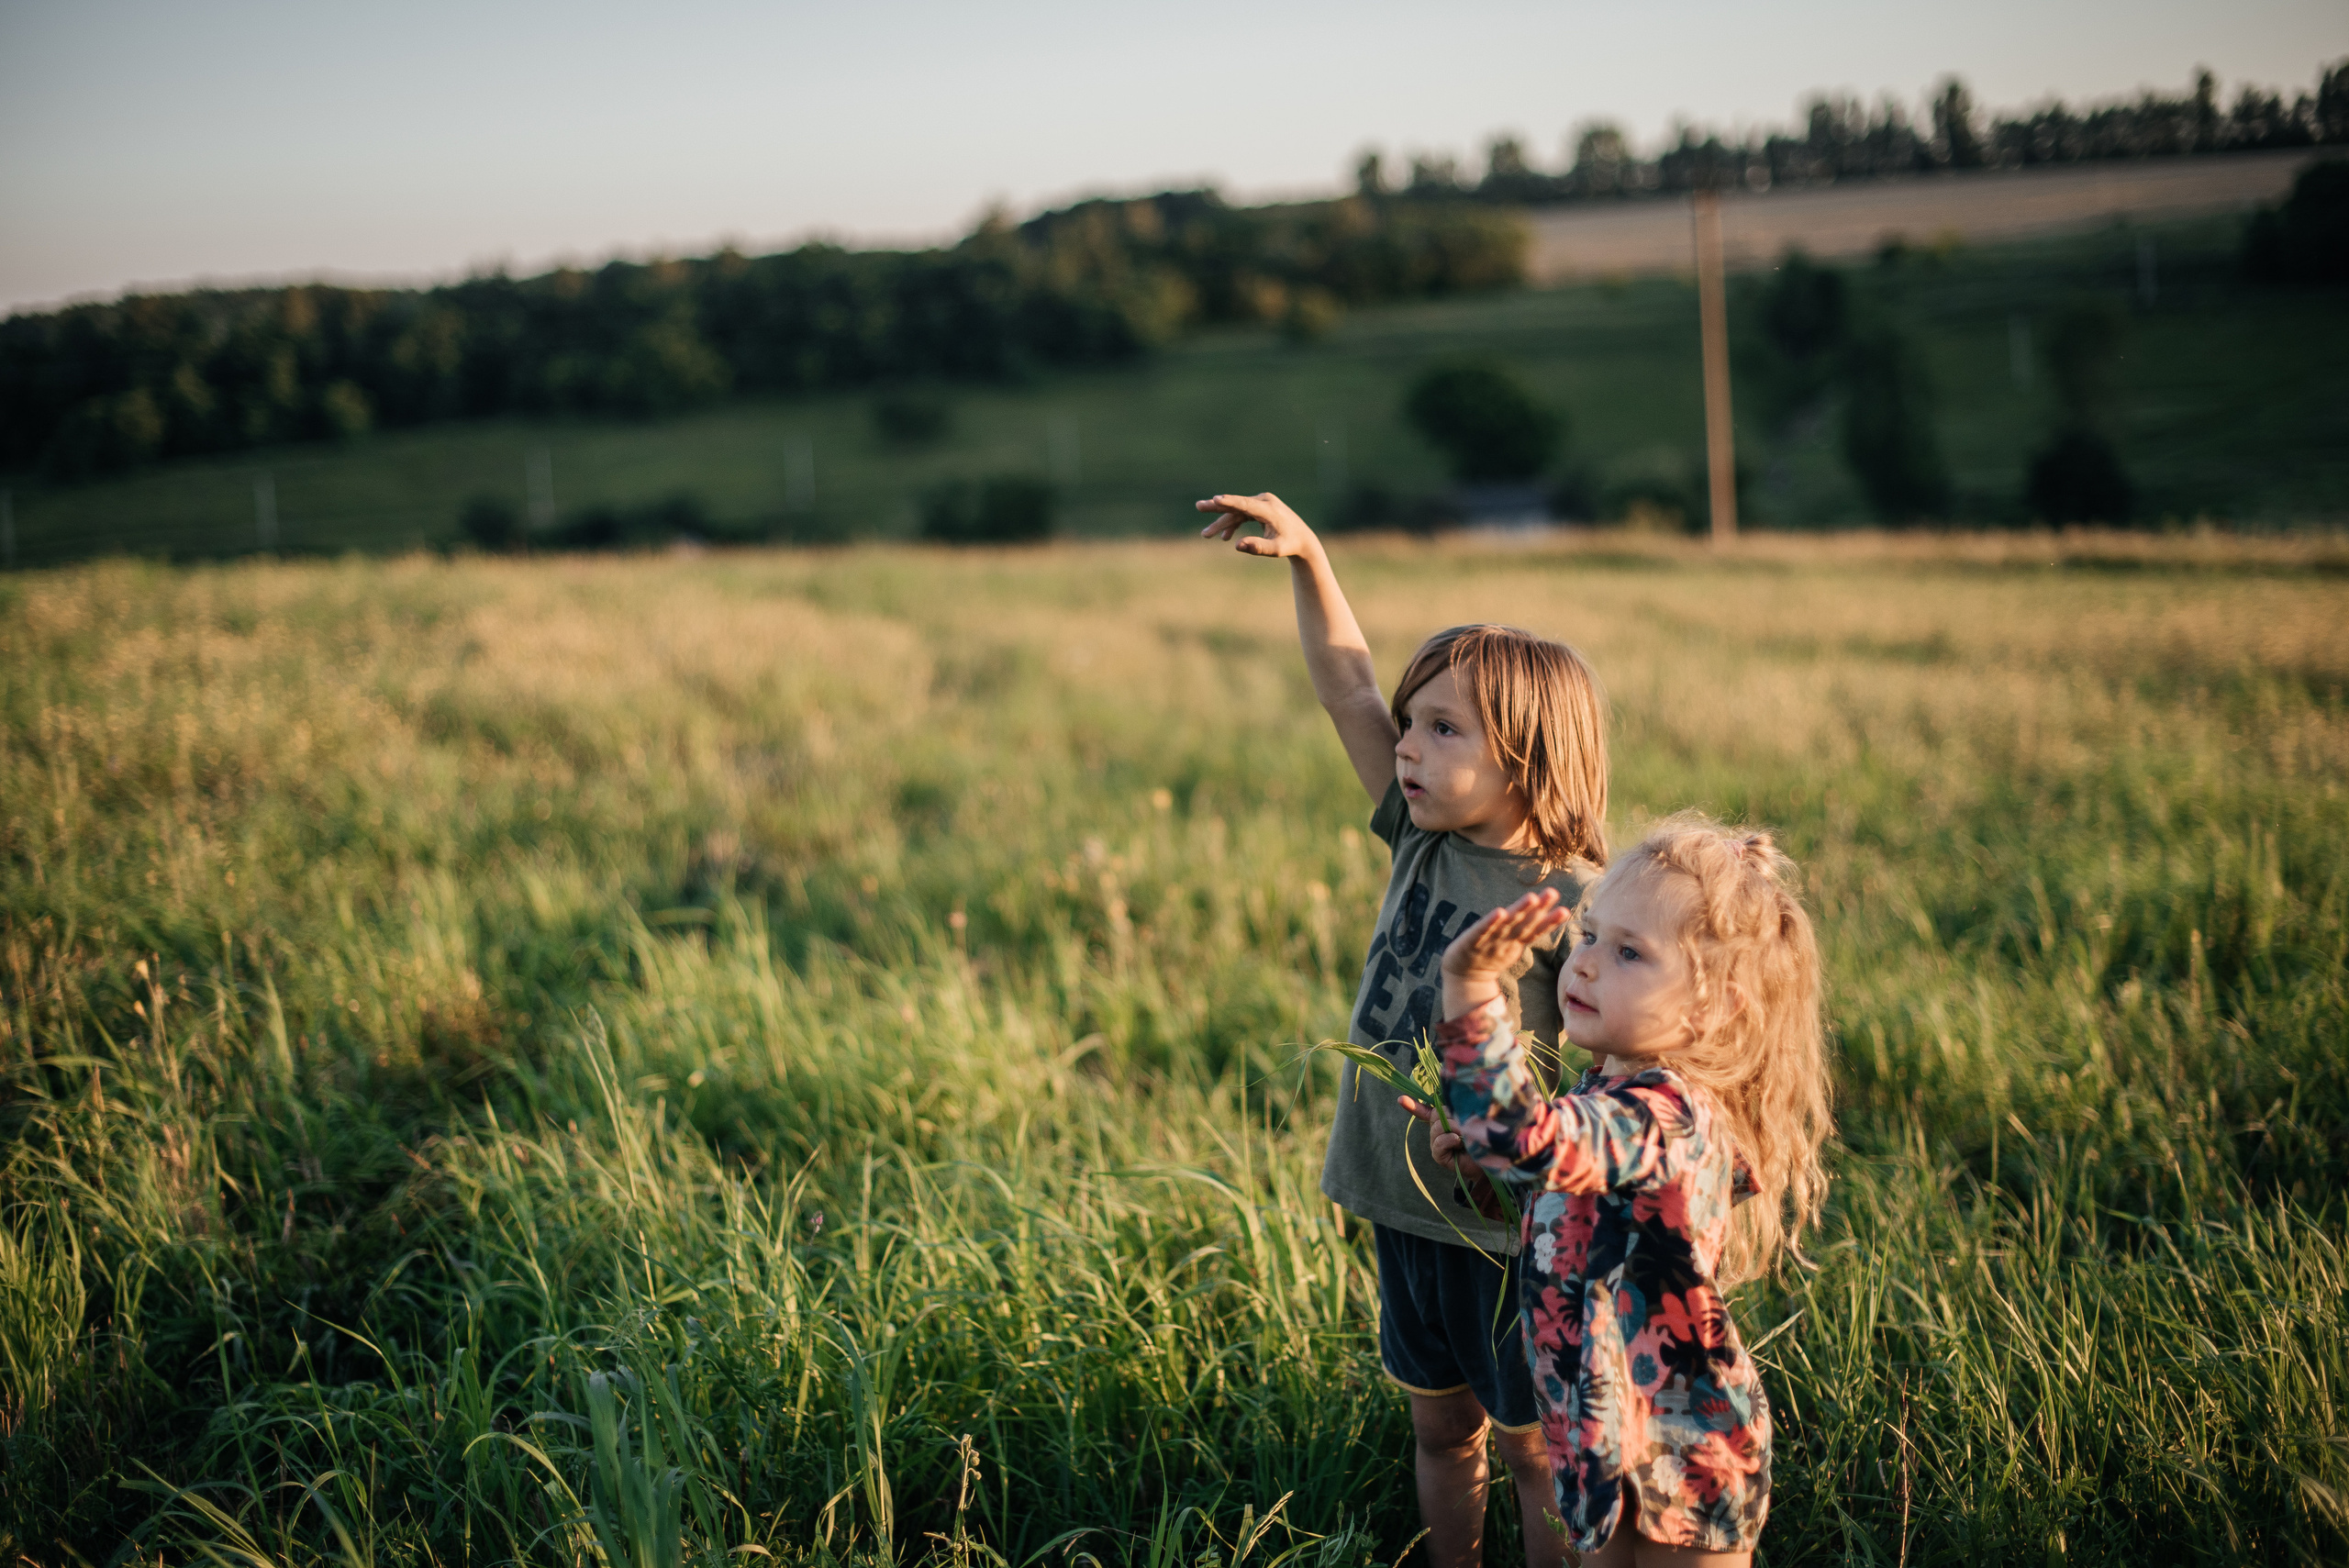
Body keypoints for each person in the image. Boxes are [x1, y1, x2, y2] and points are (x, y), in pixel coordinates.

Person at [1197, 492, 1609, 1568]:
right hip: (1397, 1196)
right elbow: (1347, 688)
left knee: (1532, 1448)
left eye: (1442, 729)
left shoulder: (1573, 898)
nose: (1408, 747)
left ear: (1524, 754)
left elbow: (1618, 1064)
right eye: (1413, 725)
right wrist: (1310, 559)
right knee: (1440, 1425)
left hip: (1506, 1224)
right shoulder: (1417, 838)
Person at [1410, 816, 1835, 1566]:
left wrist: (1469, 985)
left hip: (1685, 1448)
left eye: (1630, 951)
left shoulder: (1666, 1114)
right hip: (1598, 1441)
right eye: (1590, 934)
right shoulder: (1606, 1091)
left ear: (1715, 1006)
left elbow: (1528, 1136)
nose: (1585, 964)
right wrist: (1487, 1172)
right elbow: (1553, 1198)